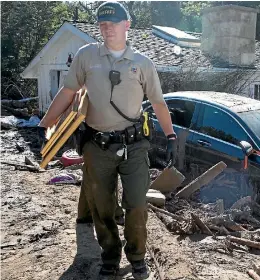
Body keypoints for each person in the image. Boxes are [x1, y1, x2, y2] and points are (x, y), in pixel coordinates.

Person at [38, 1, 177, 279]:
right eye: (102, 24)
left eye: (113, 23)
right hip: (97, 146)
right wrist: (45, 125)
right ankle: (110, 257)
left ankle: (137, 255)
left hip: (134, 146)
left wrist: (171, 135)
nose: (107, 28)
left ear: (127, 26)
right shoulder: (86, 56)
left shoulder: (142, 63)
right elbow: (68, 93)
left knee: (136, 204)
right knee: (102, 207)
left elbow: (159, 103)